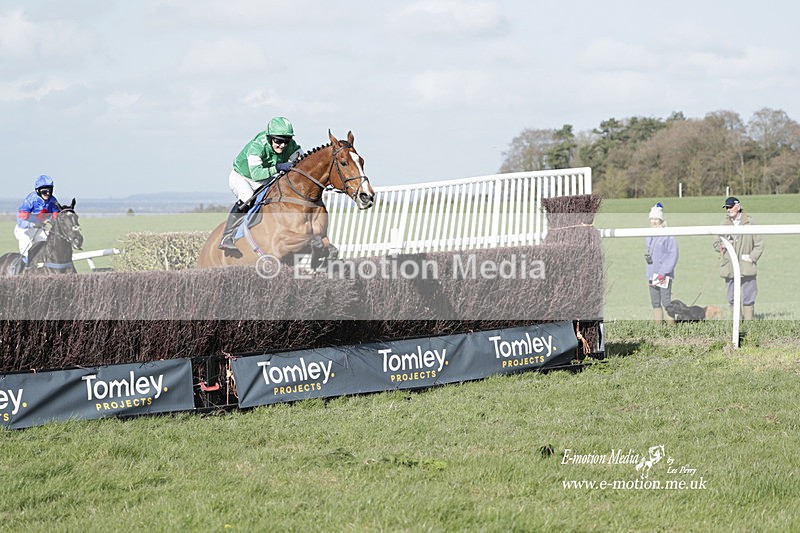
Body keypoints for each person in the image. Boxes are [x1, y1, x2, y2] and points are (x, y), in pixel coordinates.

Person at [219, 116, 303, 250]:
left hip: (264, 177)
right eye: (278, 141)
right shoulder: (258, 146)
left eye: (286, 142)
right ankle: (226, 236)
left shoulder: (291, 145)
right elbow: (256, 175)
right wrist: (278, 167)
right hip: (243, 177)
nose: (283, 145)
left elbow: (302, 163)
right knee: (247, 197)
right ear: (270, 138)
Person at [714, 196, 764, 320]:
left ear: (738, 206)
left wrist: (752, 258)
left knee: (749, 297)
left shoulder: (751, 223)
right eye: (726, 208)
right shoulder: (723, 224)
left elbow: (759, 244)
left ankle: (748, 324)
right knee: (732, 298)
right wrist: (722, 245)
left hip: (747, 266)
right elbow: (716, 244)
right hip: (729, 267)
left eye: (730, 207)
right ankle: (736, 323)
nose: (728, 210)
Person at [15, 175, 61, 264]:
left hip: (39, 228)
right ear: (37, 191)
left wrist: (52, 221)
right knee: (27, 251)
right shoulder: (30, 200)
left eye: (49, 190)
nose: (47, 193)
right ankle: (21, 268)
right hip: (24, 229)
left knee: (50, 245)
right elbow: (20, 222)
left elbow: (56, 216)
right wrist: (34, 225)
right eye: (44, 191)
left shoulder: (53, 200)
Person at [645, 202, 679, 323]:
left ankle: (671, 327)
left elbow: (673, 255)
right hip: (652, 274)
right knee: (655, 302)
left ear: (661, 219)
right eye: (652, 218)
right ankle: (658, 327)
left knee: (666, 302)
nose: (654, 221)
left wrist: (663, 272)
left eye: (656, 219)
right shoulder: (648, 234)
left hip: (663, 275)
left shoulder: (668, 235)